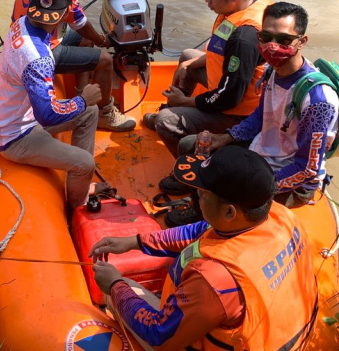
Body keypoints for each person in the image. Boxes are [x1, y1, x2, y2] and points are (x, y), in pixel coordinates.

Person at [89, 146, 319, 351]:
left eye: (202, 194)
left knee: (117, 294)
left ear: (229, 212)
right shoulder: (279, 215)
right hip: (277, 333)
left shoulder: (213, 281)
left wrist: (115, 285)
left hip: (194, 323)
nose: (196, 197)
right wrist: (135, 242)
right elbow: (199, 231)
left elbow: (158, 334)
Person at [149, 0, 272, 226]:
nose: (206, 0)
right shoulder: (250, 1)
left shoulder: (246, 37)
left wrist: (187, 101)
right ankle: (175, 109)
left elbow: (229, 97)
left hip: (237, 111)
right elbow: (219, 48)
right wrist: (193, 63)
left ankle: (193, 181)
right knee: (186, 56)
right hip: (225, 81)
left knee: (166, 122)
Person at [192, 2, 339, 208]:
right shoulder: (272, 70)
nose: (272, 46)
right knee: (193, 149)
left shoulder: (317, 101)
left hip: (289, 178)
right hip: (263, 153)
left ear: (302, 42)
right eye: (265, 37)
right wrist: (226, 138)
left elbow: (307, 169)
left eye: (284, 40)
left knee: (223, 192)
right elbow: (260, 117)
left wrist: (256, 184)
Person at [0, 0, 104, 208]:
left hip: (11, 117)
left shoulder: (20, 23)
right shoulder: (38, 58)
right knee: (86, 162)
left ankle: (76, 178)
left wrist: (84, 105)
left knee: (90, 113)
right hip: (12, 135)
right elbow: (47, 114)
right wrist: (82, 99)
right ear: (65, 12)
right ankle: (77, 208)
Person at [10, 0, 135, 132]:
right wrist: (102, 40)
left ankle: (81, 94)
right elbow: (81, 24)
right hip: (40, 49)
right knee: (104, 59)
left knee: (85, 42)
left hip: (22, 36)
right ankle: (105, 114)